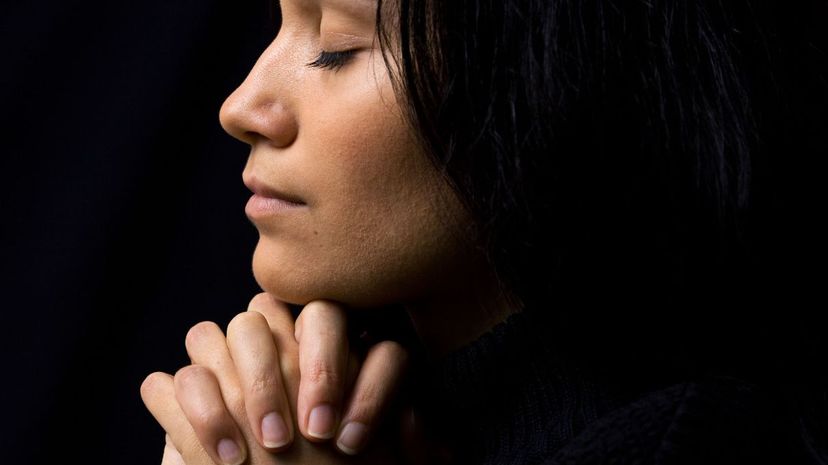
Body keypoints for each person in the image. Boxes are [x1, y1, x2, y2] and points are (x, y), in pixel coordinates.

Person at [141, 0, 828, 463]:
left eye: (337, 48)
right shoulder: (334, 409)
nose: (242, 107)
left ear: (550, 71)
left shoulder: (693, 442)